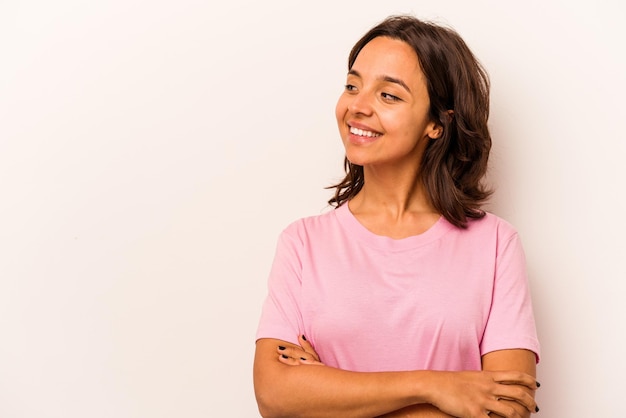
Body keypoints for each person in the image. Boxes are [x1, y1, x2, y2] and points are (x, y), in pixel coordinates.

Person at [253, 14, 540, 418]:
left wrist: (328, 392)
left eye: (389, 95)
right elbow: (275, 396)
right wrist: (437, 386)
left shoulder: (495, 245)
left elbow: (507, 408)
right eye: (353, 85)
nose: (358, 106)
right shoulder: (303, 243)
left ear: (437, 123)